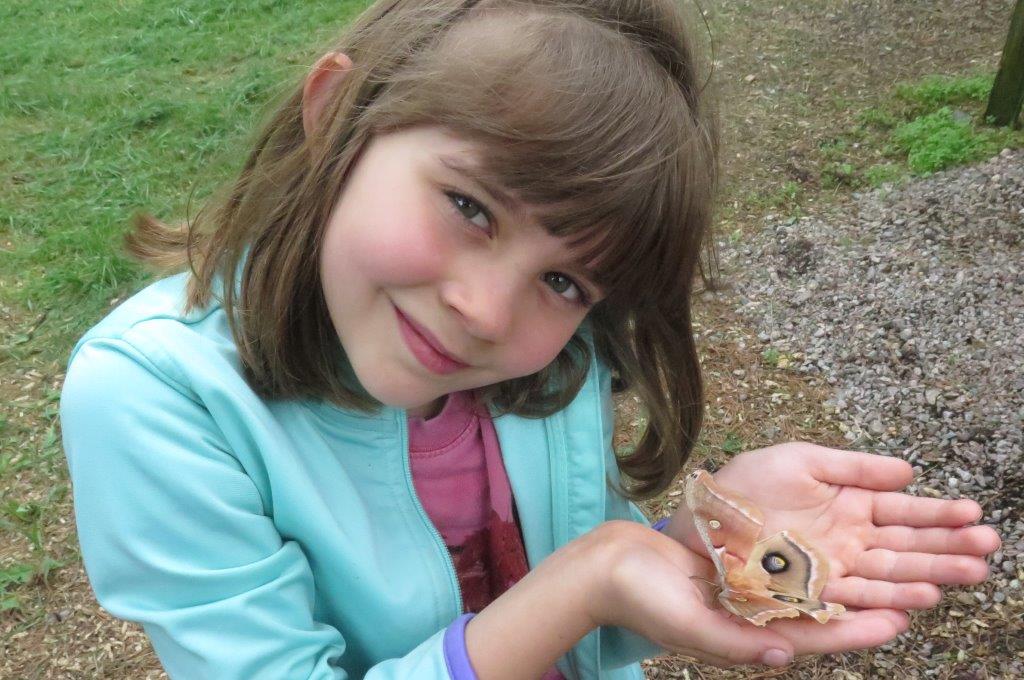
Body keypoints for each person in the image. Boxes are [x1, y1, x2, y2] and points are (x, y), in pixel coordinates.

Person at [59, 1, 1000, 678]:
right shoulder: (155, 395)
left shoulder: (560, 358)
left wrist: (694, 548)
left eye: (563, 280)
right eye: (470, 206)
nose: (486, 312)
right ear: (336, 118)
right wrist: (583, 585)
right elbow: (568, 591)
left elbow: (584, 613)